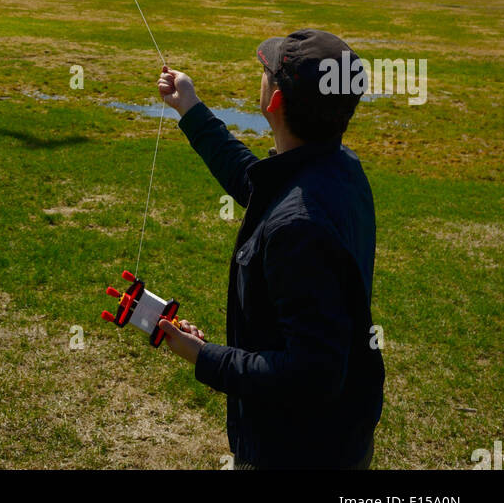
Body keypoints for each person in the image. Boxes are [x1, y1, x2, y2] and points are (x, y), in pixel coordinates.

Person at [156, 29, 384, 470]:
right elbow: (257, 183)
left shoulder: (298, 228)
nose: (260, 76)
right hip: (338, 437)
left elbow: (310, 374)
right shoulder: (337, 166)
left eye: (266, 72)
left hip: (295, 451)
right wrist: (190, 108)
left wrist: (204, 356)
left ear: (275, 102)